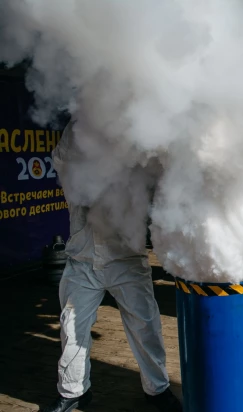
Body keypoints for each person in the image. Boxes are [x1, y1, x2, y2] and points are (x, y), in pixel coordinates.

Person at [42, 125, 182, 412]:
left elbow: (162, 180)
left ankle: (157, 390)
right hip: (82, 262)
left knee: (146, 327)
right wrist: (86, 118)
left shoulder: (136, 157)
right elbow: (63, 155)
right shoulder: (74, 158)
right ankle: (73, 392)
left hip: (127, 262)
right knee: (72, 328)